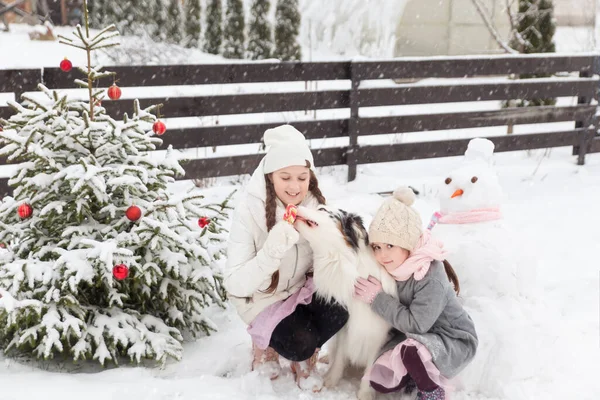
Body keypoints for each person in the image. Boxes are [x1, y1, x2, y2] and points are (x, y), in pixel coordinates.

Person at [224, 125, 348, 391]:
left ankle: (306, 354)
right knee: (298, 341)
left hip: (297, 293)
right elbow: (235, 284)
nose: (295, 186)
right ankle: (266, 342)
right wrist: (272, 250)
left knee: (344, 306)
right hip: (260, 299)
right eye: (286, 177)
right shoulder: (248, 210)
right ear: (270, 177)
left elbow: (328, 263)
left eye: (302, 178)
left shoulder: (315, 206)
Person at [353, 187, 478, 400]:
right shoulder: (395, 267)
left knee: (411, 352)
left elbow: (418, 324)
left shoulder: (429, 275)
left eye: (390, 245)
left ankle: (432, 392)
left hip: (451, 338)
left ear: (408, 244)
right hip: (416, 336)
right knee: (381, 380)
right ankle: (414, 376)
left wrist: (377, 299)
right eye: (376, 247)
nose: (382, 255)